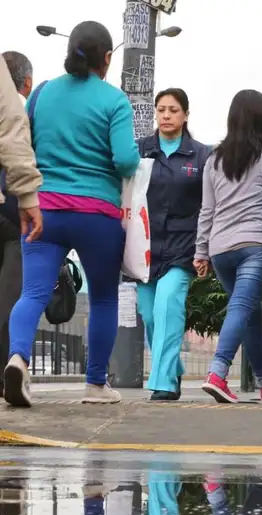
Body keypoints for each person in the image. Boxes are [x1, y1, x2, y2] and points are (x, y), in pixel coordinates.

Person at [4, 21, 138, 408]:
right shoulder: (114, 101)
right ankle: (96, 384)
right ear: (107, 58)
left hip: (45, 210)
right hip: (97, 215)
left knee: (32, 292)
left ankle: (17, 359)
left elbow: (23, 141)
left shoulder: (42, 93)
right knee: (103, 299)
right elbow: (126, 160)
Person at [195, 89, 262, 404]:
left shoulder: (214, 158)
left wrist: (201, 251)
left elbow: (206, 210)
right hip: (257, 244)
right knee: (242, 307)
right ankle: (218, 373)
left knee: (251, 311)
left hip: (221, 249)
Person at [136, 88, 211, 401]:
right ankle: (175, 367)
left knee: (168, 303)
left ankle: (164, 382)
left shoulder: (201, 155)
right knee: (149, 313)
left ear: (185, 115)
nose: (166, 115)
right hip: (144, 246)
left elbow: (211, 203)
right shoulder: (139, 150)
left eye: (173, 110)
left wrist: (205, 247)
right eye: (161, 109)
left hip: (184, 246)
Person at [0, 52, 40, 401]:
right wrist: (30, 199)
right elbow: (17, 146)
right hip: (16, 216)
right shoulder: (24, 113)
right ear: (26, 82)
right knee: (12, 297)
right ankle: (7, 370)